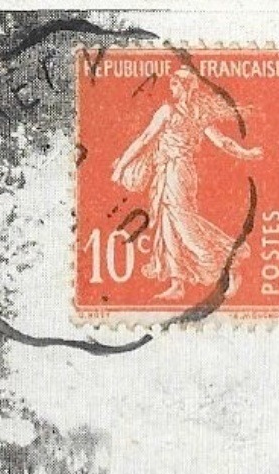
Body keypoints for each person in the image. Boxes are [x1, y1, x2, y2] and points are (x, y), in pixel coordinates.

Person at [111, 67, 264, 301]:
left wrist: (247, 153)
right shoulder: (183, 112)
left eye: (175, 85)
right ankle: (177, 283)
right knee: (167, 224)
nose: (171, 89)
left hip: (179, 172)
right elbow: (146, 139)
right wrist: (247, 153)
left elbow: (146, 139)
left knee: (185, 225)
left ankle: (228, 262)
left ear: (184, 87)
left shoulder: (177, 112)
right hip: (166, 172)